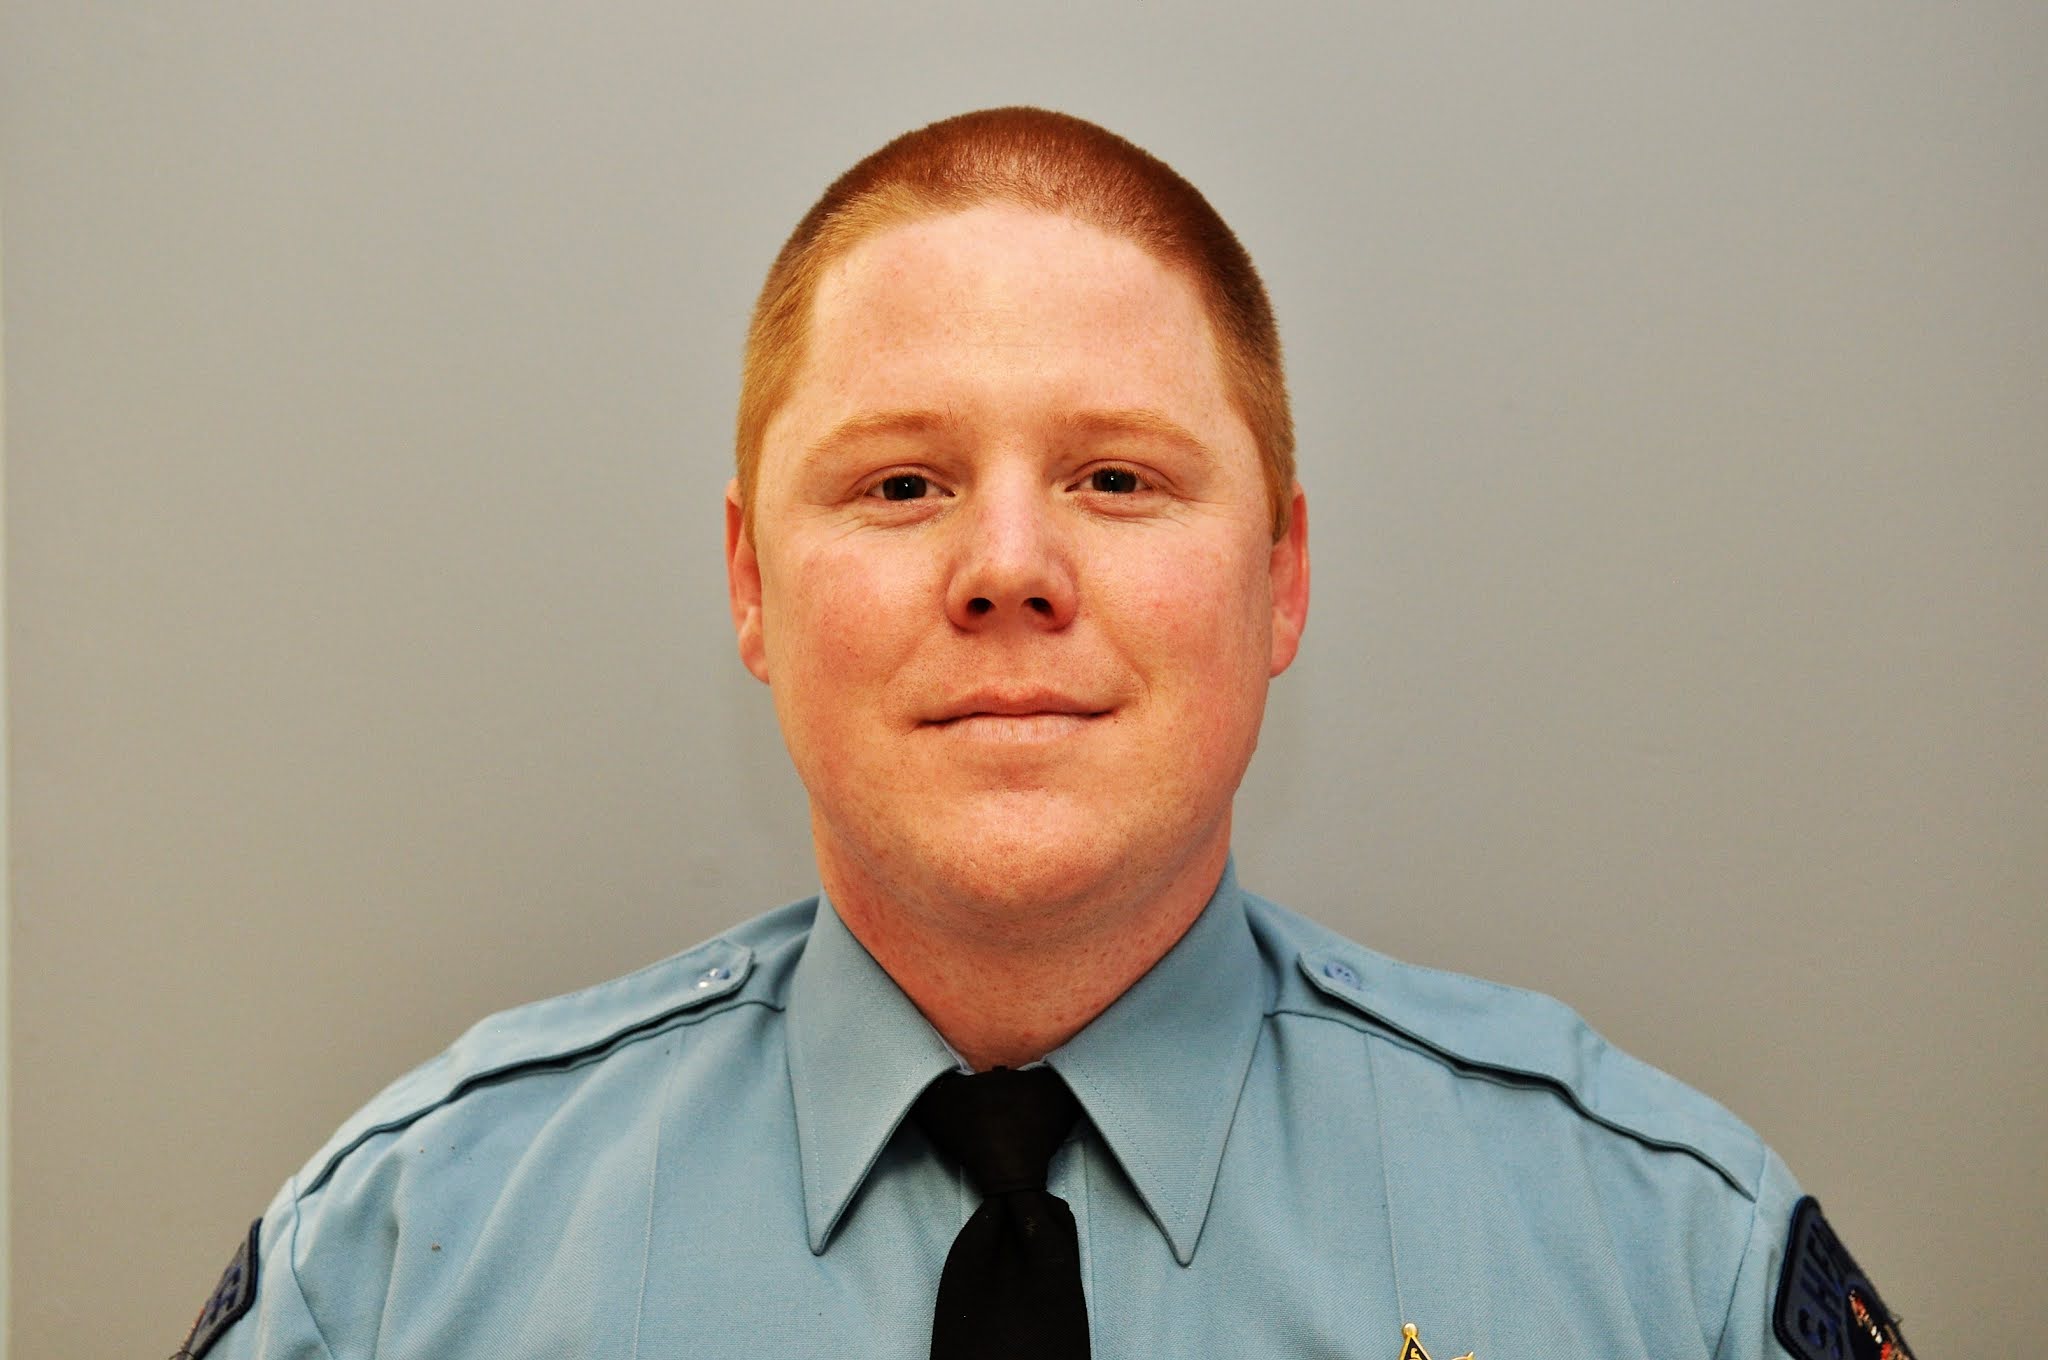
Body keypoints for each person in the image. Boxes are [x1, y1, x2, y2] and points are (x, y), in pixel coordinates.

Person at [179, 107, 1909, 1360]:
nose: (1008, 568)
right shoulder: (396, 1269)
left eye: (1117, 478)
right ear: (752, 585)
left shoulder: (1667, 1268)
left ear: (1283, 579)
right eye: (902, 484)